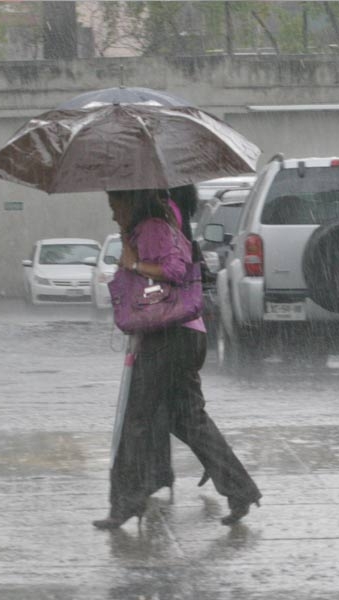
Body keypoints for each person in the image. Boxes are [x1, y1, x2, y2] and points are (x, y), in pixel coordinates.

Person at [94, 188, 261, 529]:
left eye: (115, 205)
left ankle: (126, 502)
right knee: (187, 420)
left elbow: (175, 269)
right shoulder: (146, 227)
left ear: (131, 201)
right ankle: (240, 489)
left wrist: (135, 263)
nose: (112, 214)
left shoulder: (154, 226)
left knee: (136, 419)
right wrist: (130, 248)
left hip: (169, 336)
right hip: (184, 334)